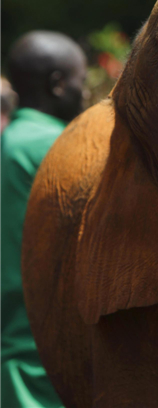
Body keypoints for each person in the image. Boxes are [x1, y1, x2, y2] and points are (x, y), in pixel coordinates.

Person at [1, 31, 88, 408]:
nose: (85, 95)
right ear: (57, 85)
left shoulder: (13, 140)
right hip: (43, 356)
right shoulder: (59, 144)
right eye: (81, 84)